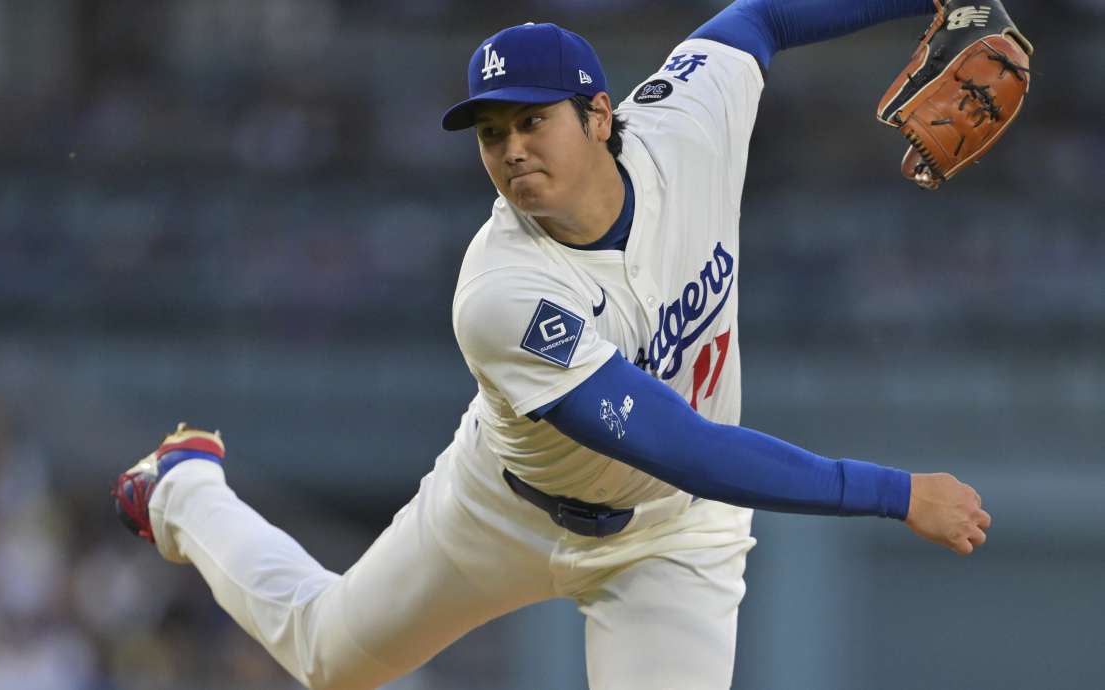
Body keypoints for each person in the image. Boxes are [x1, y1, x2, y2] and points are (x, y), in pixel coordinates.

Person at [113, 2, 1000, 688]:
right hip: (502, 511)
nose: (510, 150)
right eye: (491, 134)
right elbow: (687, 447)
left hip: (669, 541)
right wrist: (893, 493)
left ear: (600, 116)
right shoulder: (501, 293)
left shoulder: (687, 127)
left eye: (533, 121)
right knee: (329, 658)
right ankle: (186, 487)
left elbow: (758, 17)